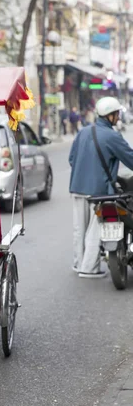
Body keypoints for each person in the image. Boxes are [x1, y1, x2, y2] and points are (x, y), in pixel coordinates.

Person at [69, 96, 133, 279]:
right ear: (110, 115)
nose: (119, 117)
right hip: (99, 191)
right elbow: (130, 159)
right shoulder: (112, 136)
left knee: (78, 229)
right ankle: (89, 268)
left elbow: (71, 159)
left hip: (76, 187)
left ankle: (78, 263)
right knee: (96, 229)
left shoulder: (83, 132)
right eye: (117, 114)